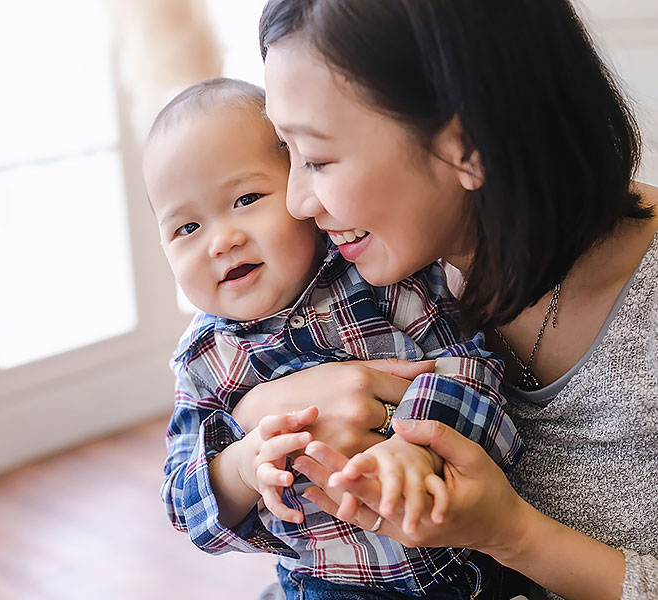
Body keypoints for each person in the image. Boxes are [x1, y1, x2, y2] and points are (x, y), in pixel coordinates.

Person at [230, 1, 658, 599]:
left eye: (320, 159)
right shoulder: (352, 268)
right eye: (286, 153)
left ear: (468, 146)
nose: (297, 201)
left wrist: (512, 534)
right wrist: (263, 406)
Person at [144, 77, 525, 599]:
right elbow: (181, 502)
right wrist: (239, 465)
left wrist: (421, 447)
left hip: (469, 558)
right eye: (186, 229)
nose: (221, 241)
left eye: (247, 198)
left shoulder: (381, 276)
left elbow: (475, 367)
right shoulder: (205, 361)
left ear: (301, 189)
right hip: (335, 584)